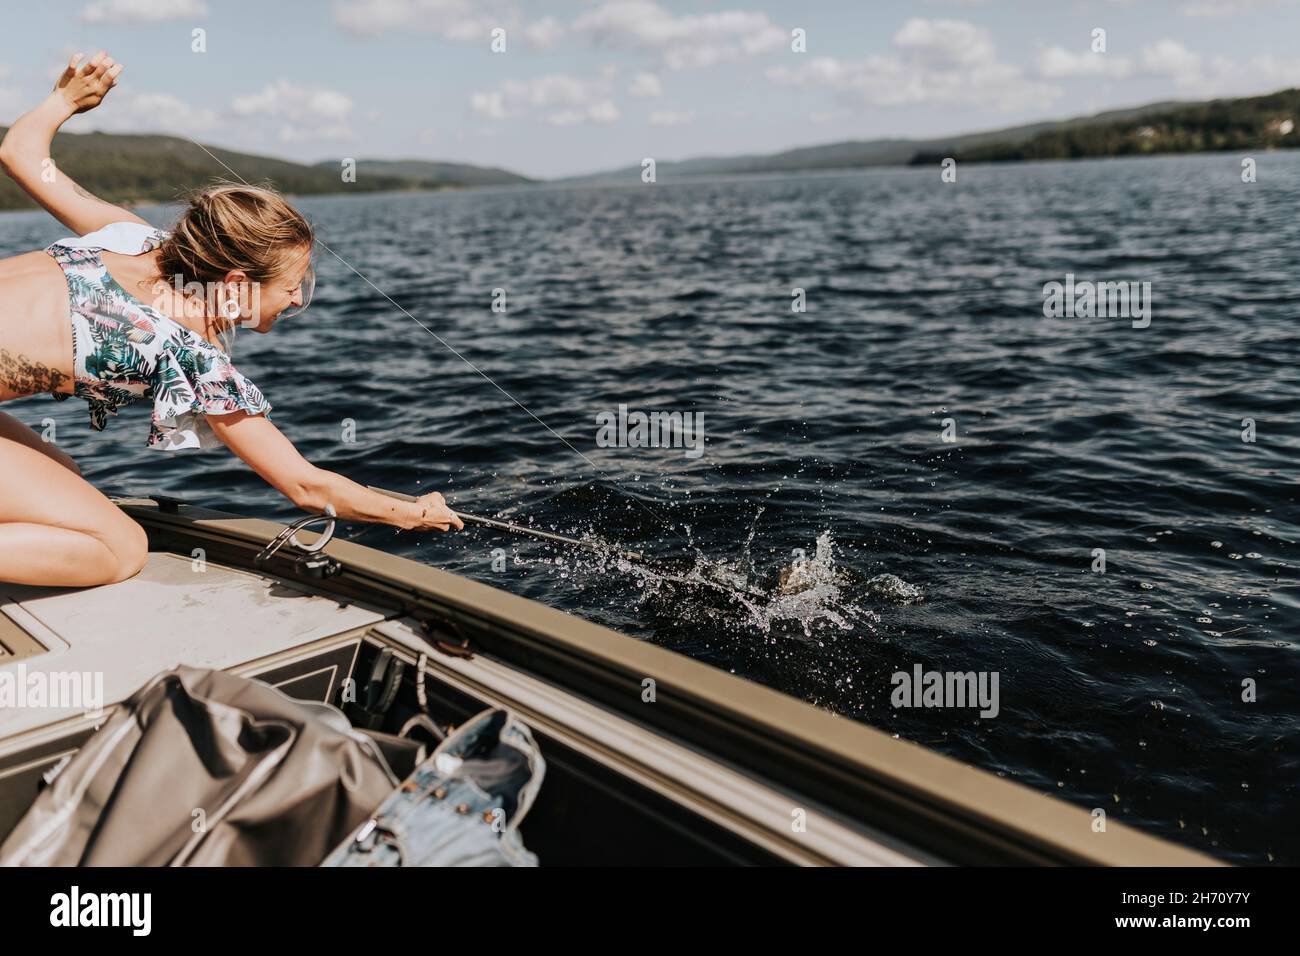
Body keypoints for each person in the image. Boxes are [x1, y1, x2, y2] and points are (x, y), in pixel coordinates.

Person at [0, 51, 461, 588]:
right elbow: (307, 488)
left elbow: (20, 151)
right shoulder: (188, 352)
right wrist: (408, 512)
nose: (295, 301)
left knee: (65, 483)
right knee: (119, 547)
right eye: (294, 287)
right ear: (238, 285)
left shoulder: (129, 235)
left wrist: (65, 100)